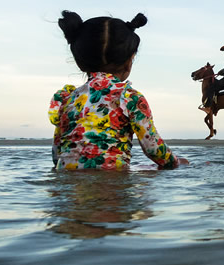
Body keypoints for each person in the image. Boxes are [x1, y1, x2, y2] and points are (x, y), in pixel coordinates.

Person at [49, 11, 187, 170]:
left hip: (69, 188)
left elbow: (56, 155)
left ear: (80, 62)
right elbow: (154, 149)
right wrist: (177, 163)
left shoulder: (67, 99)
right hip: (113, 187)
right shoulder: (129, 97)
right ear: (129, 61)